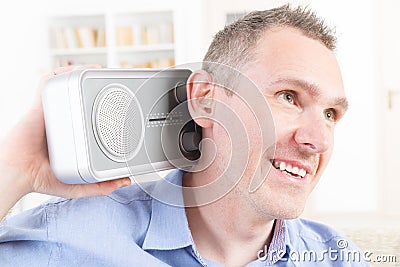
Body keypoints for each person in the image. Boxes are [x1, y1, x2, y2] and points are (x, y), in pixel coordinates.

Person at [0, 4, 369, 267]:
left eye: (331, 114)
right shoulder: (71, 237)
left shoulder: (336, 256)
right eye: (288, 97)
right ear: (206, 100)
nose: (318, 140)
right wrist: (14, 172)